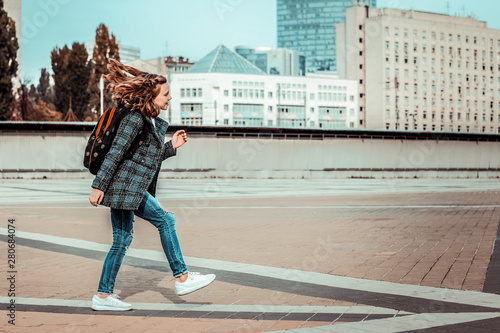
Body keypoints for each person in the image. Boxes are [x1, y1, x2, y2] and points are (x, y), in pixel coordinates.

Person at [88, 58, 215, 311]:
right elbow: (115, 153)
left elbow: (144, 159)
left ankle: (102, 296)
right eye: (166, 94)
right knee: (166, 220)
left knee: (121, 239)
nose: (170, 98)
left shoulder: (147, 120)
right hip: (125, 188)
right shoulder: (135, 120)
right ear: (152, 96)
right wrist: (98, 185)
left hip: (129, 189)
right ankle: (182, 278)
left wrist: (170, 147)